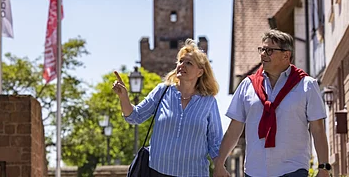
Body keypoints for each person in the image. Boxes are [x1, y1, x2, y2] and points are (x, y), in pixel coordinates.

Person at [213, 29, 330, 177]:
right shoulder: (247, 86)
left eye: (269, 51)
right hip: (255, 171)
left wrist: (324, 168)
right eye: (262, 49)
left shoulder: (306, 85)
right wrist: (219, 163)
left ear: (286, 55)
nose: (263, 54)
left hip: (293, 170)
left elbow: (318, 130)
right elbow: (234, 129)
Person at [113, 38, 223, 177]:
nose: (182, 65)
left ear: (200, 72)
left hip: (194, 173)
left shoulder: (208, 102)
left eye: (188, 63)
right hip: (157, 171)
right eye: (180, 61)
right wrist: (124, 97)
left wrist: (220, 166)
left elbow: (215, 142)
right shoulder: (163, 91)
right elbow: (135, 116)